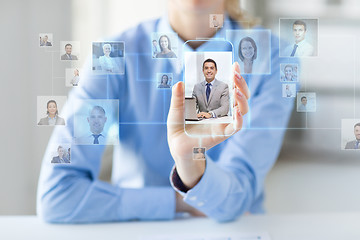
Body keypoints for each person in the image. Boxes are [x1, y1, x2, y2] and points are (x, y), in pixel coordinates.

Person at [38, 0, 295, 223]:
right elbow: (57, 197)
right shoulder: (111, 55)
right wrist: (179, 201)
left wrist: (190, 164)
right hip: (138, 231)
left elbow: (235, 201)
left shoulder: (275, 57)